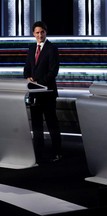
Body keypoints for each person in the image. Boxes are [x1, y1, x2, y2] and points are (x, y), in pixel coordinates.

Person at [23, 21, 62, 164]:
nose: (40, 35)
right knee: (36, 125)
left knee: (52, 124)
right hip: (34, 93)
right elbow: (27, 67)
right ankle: (38, 154)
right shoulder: (32, 47)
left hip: (48, 93)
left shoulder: (52, 48)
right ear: (33, 34)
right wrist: (28, 77)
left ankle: (57, 152)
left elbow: (53, 71)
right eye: (37, 32)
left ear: (46, 32)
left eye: (42, 32)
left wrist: (38, 81)